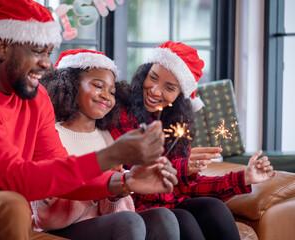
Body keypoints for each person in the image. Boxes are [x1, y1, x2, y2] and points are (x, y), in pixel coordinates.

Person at [0, 1, 176, 239]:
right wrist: (112, 154)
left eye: (48, 53)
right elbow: (12, 178)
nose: (47, 64)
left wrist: (124, 180)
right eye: (37, 52)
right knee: (10, 205)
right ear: (2, 48)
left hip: (13, 223)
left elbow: (60, 168)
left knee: (157, 222)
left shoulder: (35, 96)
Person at [110, 41, 276, 240]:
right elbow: (137, 168)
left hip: (171, 204)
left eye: (169, 88)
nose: (154, 91)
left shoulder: (176, 123)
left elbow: (190, 186)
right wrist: (183, 167)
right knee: (183, 218)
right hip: (138, 207)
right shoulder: (120, 114)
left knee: (214, 207)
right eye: (152, 78)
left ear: (180, 96)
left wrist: (245, 178)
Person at [32, 49, 180, 240]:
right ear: (70, 85)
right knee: (129, 222)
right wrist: (100, 181)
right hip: (59, 229)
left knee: (163, 216)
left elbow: (116, 212)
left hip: (108, 226)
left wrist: (115, 194)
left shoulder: (107, 138)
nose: (106, 96)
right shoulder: (52, 135)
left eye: (112, 91)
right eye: (98, 86)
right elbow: (45, 217)